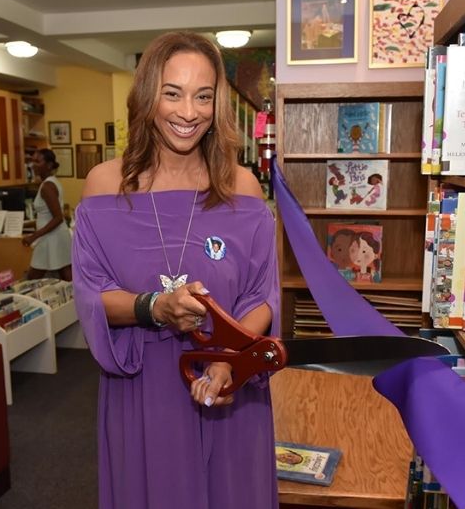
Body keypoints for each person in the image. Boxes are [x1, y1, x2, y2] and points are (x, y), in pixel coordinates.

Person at [72, 31, 280, 509]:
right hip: (143, 391)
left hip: (227, 385)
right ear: (148, 97)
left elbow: (262, 297)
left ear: (217, 104)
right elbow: (91, 294)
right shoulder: (104, 187)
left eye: (203, 96)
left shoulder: (242, 189)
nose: (189, 112)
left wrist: (230, 363)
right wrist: (154, 307)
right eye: (173, 93)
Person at [22, 148, 72, 281]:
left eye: (37, 161)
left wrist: (34, 236)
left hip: (50, 238)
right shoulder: (51, 182)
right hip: (55, 236)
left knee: (32, 278)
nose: (33, 165)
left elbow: (58, 218)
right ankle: (79, 300)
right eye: (32, 161)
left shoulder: (47, 186)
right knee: (67, 275)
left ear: (49, 165)